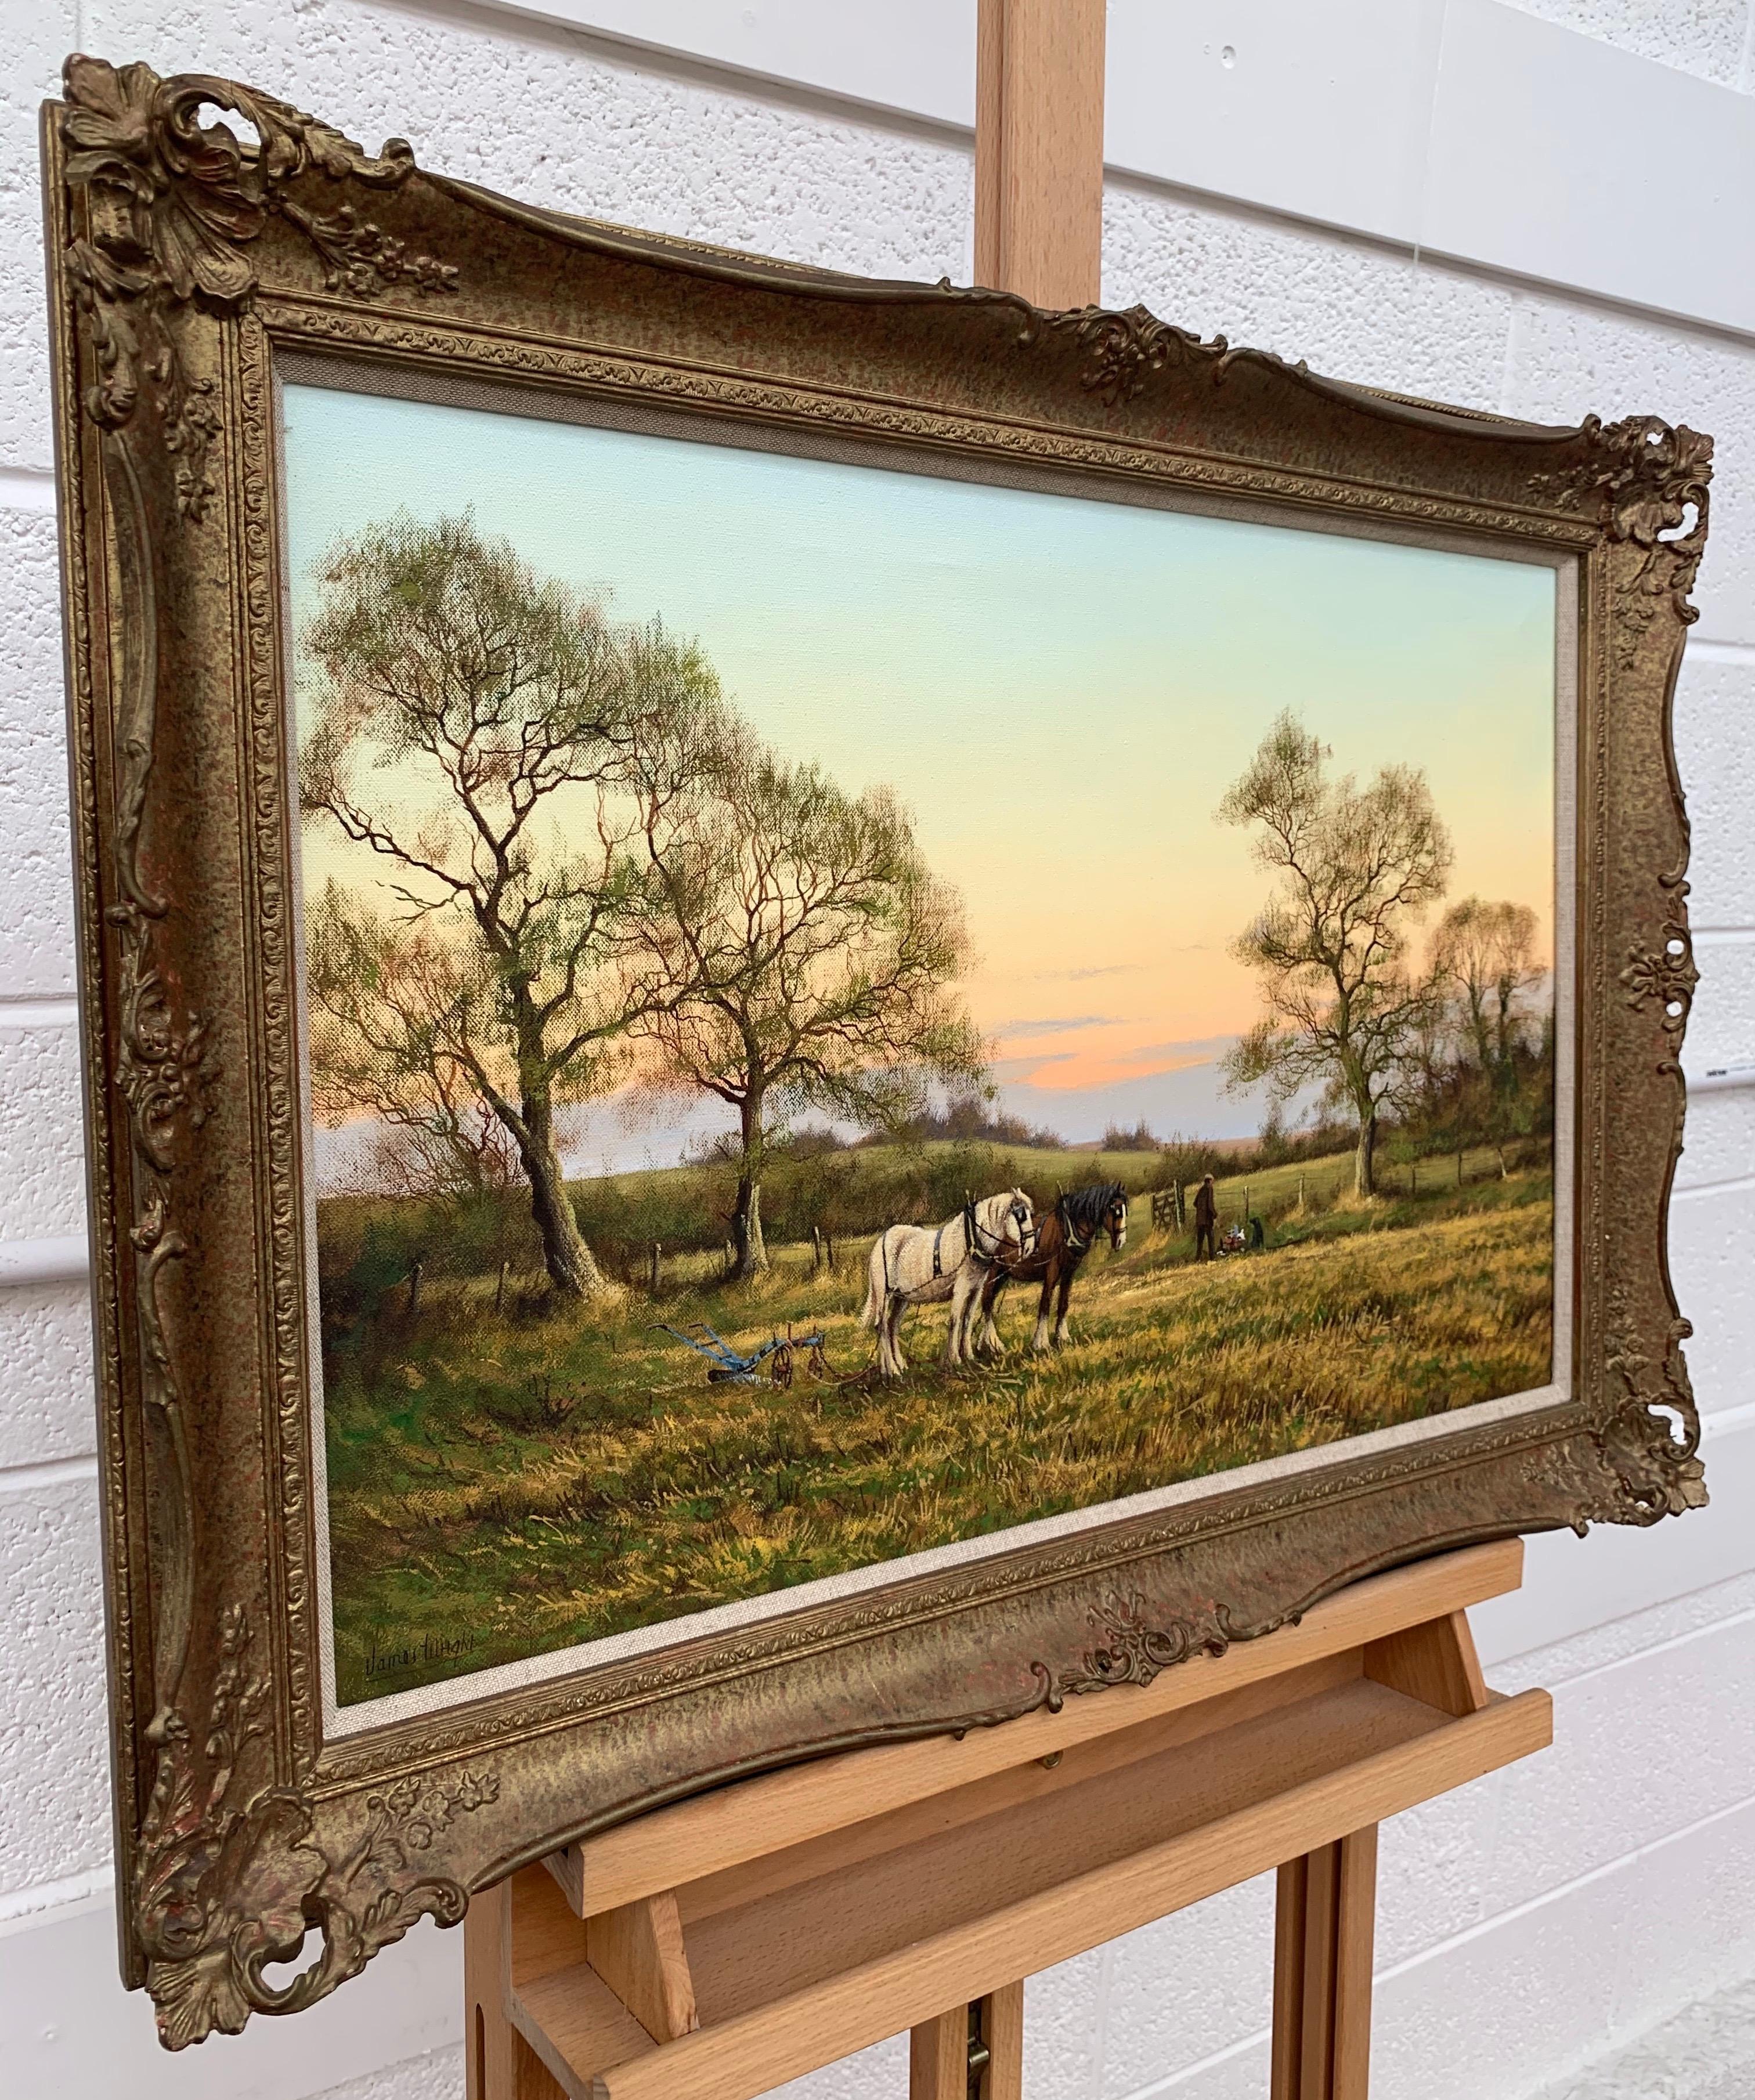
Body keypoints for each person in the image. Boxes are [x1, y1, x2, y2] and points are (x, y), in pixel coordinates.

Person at [1193, 1173, 1218, 1260]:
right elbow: (1210, 1204)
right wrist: (1214, 1214)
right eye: (1213, 1181)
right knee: (1211, 1239)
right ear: (1210, 1181)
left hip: (1199, 1220)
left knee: (1200, 1240)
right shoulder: (1209, 1189)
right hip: (1207, 1219)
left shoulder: (1201, 1189)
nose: (1213, 1182)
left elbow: (1195, 1203)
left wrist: (1201, 1210)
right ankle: (1212, 1257)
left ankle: (1198, 1257)